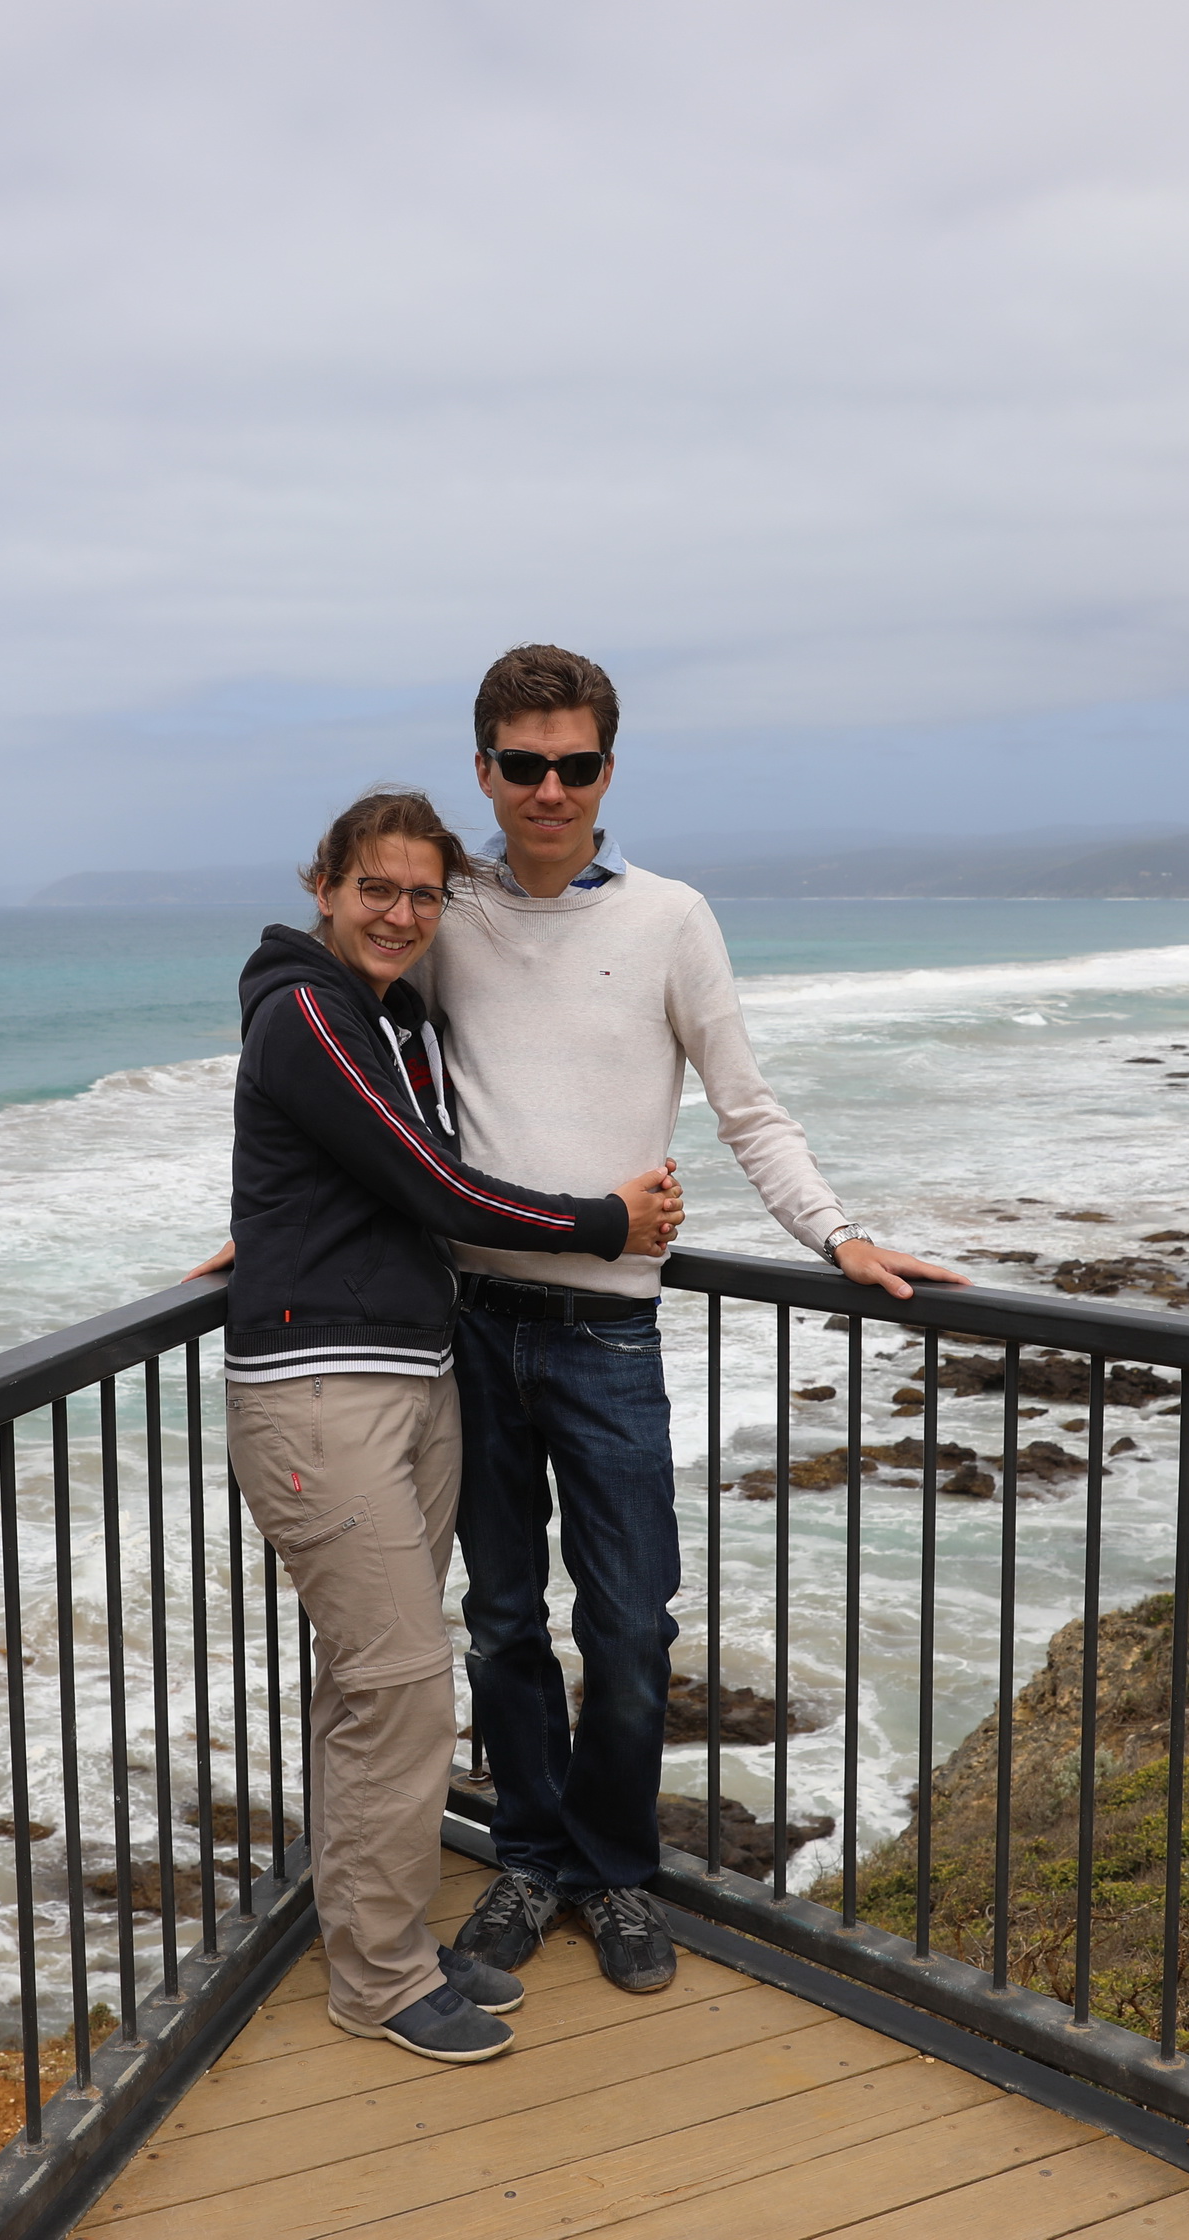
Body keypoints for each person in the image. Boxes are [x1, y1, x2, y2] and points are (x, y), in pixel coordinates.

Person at [422, 645, 966, 1996]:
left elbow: (747, 1107)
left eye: (577, 764)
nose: (550, 789)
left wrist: (837, 1235)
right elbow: (352, 1085)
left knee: (630, 1624)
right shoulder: (443, 915)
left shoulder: (670, 918)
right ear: (483, 770)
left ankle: (611, 1870)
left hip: (606, 1330)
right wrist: (267, 1225)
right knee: (497, 1619)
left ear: (611, 768)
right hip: (470, 1323)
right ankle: (530, 1860)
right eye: (524, 765)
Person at [213, 785, 687, 2063]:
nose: (403, 912)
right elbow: (429, 1180)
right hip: (325, 1394)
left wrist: (264, 1230)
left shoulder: (375, 1010)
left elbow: (367, 1167)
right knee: (405, 1690)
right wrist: (602, 1221)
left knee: (373, 1688)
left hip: (403, 1374)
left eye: (425, 894)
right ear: (325, 885)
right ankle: (376, 1976)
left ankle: (375, 1939)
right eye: (378, 888)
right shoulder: (312, 1011)